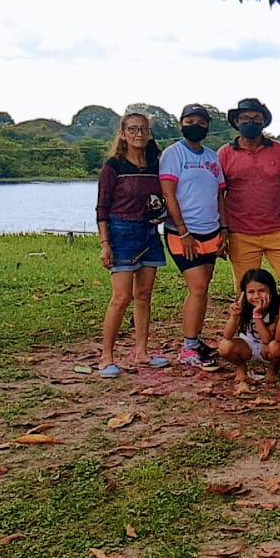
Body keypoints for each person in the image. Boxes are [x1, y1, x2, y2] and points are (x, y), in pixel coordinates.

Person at [95, 113, 169, 378]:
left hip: (149, 232)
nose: (139, 134)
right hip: (121, 232)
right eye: (133, 129)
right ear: (123, 134)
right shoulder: (113, 166)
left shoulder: (155, 163)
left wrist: (162, 213)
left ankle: (142, 352)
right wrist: (105, 243)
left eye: (144, 129)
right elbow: (102, 207)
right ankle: (106, 356)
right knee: (121, 297)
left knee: (144, 295)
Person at [159, 103, 227, 371]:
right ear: (181, 124)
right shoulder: (173, 154)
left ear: (208, 126)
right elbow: (169, 194)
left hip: (211, 230)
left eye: (201, 121)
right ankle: (188, 347)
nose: (196, 125)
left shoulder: (212, 157)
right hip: (183, 233)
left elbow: (220, 195)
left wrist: (224, 228)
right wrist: (183, 230)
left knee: (202, 288)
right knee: (197, 287)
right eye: (190, 120)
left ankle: (195, 341)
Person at [217, 98, 280, 288]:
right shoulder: (225, 153)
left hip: (276, 230)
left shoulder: (278, 150)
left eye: (257, 118)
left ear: (264, 122)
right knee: (246, 290)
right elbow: (218, 195)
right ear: (237, 122)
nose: (251, 122)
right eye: (245, 118)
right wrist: (222, 230)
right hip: (240, 232)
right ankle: (249, 318)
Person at [218, 269, 280, 392]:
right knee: (224, 346)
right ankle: (241, 367)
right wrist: (234, 316)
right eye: (251, 292)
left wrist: (257, 315)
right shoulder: (243, 307)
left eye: (261, 291)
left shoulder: (278, 309)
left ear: (271, 291)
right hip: (248, 346)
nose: (256, 296)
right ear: (244, 294)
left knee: (275, 347)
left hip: (267, 348)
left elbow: (267, 339)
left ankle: (273, 369)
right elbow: (227, 335)